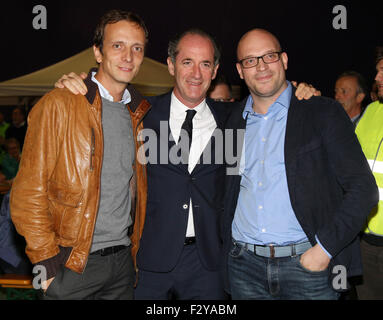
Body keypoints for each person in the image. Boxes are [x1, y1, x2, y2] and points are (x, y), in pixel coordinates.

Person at [55, 30, 318, 300]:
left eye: (205, 64)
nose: (196, 73)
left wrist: (298, 91)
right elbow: (106, 94)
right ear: (170, 65)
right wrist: (81, 81)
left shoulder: (233, 118)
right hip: (149, 261)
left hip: (209, 264)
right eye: (187, 62)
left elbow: (271, 98)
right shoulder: (140, 114)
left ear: (215, 70)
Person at [222, 28, 378, 300]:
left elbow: (363, 190)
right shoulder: (233, 121)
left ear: (283, 60)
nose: (260, 66)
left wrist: (324, 250)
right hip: (243, 266)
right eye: (250, 60)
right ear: (240, 70)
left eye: (268, 56)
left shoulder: (322, 112)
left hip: (307, 268)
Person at [10, 9, 151, 300]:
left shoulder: (137, 114)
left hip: (122, 265)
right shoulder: (59, 104)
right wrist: (47, 265)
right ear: (98, 52)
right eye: (118, 45)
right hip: (70, 265)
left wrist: (131, 260)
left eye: (137, 48)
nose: (128, 56)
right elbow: (27, 192)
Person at [354, 46, 383, 300]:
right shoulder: (372, 112)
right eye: (378, 71)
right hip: (366, 245)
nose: (377, 78)